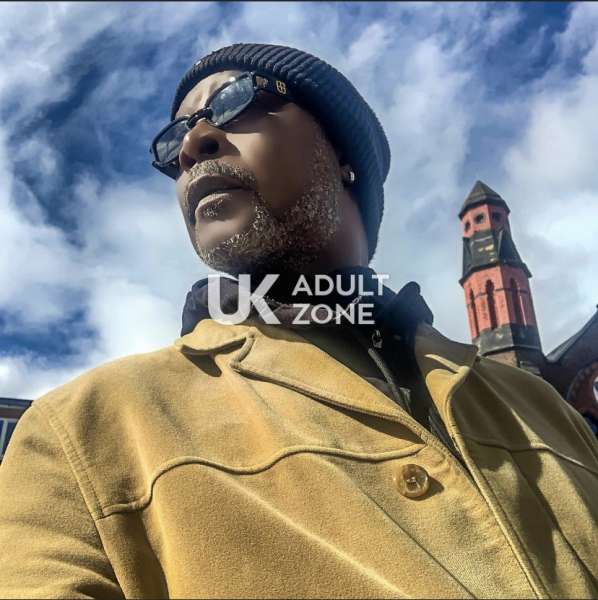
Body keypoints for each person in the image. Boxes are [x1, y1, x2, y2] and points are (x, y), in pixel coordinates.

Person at [0, 43, 597, 599]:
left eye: (234, 101)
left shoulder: (543, 408)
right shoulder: (82, 429)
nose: (192, 145)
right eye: (173, 140)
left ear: (343, 155)